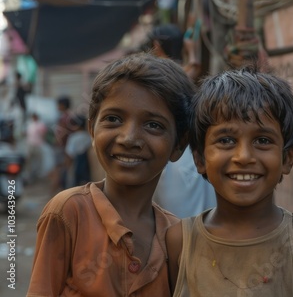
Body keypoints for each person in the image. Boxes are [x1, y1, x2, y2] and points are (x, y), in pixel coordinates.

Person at [27, 52, 195, 296]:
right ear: (92, 130)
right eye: (113, 119)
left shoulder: (176, 236)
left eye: (153, 125)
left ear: (179, 145)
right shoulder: (68, 212)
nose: (129, 138)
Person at [166, 68, 293, 297]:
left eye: (262, 140)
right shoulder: (180, 240)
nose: (243, 156)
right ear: (199, 159)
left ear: (287, 159)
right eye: (226, 140)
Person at [150, 23, 216, 218]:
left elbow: (188, 73)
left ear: (156, 45)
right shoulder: (175, 73)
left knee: (175, 213)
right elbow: (191, 70)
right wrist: (193, 53)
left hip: (171, 151)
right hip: (187, 151)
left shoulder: (157, 74)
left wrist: (193, 57)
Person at [65, 114, 92, 187]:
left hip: (76, 162)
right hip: (87, 164)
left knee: (74, 184)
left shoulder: (73, 137)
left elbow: (70, 153)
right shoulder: (88, 137)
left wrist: (67, 167)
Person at [25, 112, 48, 183]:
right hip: (30, 144)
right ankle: (30, 175)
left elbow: (44, 134)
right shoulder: (30, 124)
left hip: (38, 144)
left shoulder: (40, 124)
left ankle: (37, 174)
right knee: (30, 161)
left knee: (38, 160)